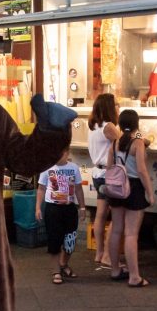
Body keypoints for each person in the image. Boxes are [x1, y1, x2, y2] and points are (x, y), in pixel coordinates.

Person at [107, 109, 153, 287]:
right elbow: (141, 170)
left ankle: (115, 269)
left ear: (119, 124)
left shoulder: (114, 143)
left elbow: (110, 168)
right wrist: (149, 192)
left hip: (116, 187)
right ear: (136, 124)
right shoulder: (138, 143)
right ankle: (134, 277)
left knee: (116, 230)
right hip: (134, 188)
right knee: (131, 234)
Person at [35, 148, 85, 284]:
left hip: (69, 208)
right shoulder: (47, 168)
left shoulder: (74, 168)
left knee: (70, 240)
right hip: (53, 208)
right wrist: (38, 207)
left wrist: (82, 207)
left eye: (61, 153)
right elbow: (41, 188)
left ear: (67, 153)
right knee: (54, 240)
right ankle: (56, 270)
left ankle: (64, 264)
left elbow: (79, 188)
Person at [87, 94, 121, 267]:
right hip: (109, 175)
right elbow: (123, 142)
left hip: (97, 174)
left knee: (100, 215)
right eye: (116, 104)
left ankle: (99, 253)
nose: (118, 107)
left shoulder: (93, 126)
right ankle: (108, 254)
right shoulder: (108, 126)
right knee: (116, 215)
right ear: (109, 107)